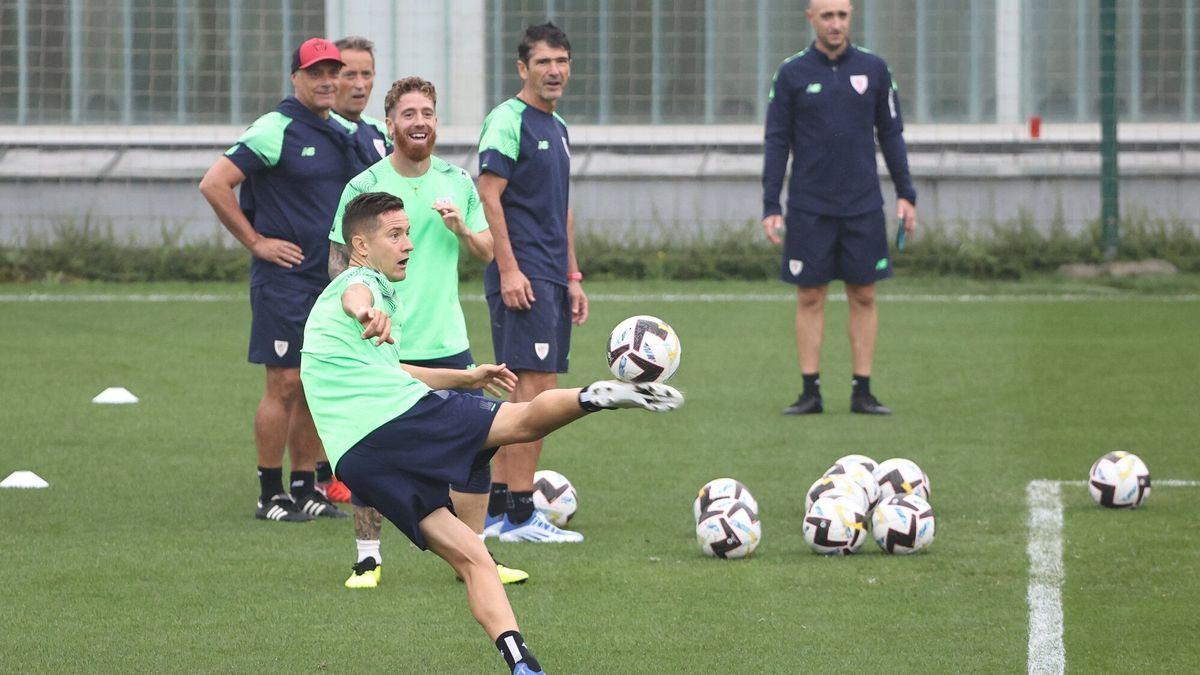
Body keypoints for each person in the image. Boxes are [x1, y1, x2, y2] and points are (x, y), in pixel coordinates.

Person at [301, 191, 682, 674]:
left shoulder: (349, 310)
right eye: (394, 234)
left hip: (359, 460)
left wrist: (464, 377)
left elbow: (390, 372)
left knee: (473, 556)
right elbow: (359, 298)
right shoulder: (358, 284)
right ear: (359, 245)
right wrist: (364, 312)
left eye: (408, 233)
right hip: (393, 420)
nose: (408, 244)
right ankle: (599, 396)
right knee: (519, 422)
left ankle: (522, 663)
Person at [329, 76, 527, 588]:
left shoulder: (457, 182)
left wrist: (460, 227)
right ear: (390, 123)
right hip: (385, 346)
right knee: (373, 449)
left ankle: (475, 557)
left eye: (428, 113)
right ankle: (368, 559)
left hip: (448, 342)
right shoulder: (364, 187)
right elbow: (339, 263)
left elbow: (486, 251)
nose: (420, 122)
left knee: (482, 441)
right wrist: (363, 311)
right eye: (409, 114)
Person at [199, 37, 372, 521]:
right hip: (284, 282)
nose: (327, 81)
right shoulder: (273, 129)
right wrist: (256, 242)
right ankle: (269, 493)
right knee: (285, 382)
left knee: (316, 382)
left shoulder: (343, 130)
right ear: (295, 77)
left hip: (331, 283)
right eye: (315, 72)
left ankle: (306, 486)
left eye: (333, 72)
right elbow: (214, 183)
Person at [761, 0, 917, 416]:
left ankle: (862, 390)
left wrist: (907, 194)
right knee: (810, 295)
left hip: (862, 204)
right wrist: (770, 204)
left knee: (863, 294)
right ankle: (810, 391)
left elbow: (892, 134)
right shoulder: (791, 73)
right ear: (811, 18)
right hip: (809, 206)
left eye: (842, 15)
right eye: (826, 15)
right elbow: (777, 141)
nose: (835, 23)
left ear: (851, 18)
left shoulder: (874, 69)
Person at [477, 22, 589, 543]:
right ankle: (523, 515)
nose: (554, 70)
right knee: (534, 396)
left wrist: (572, 275)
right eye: (544, 61)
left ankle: (500, 510)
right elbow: (488, 194)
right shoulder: (508, 119)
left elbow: (561, 210)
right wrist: (508, 268)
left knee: (528, 392)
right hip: (523, 275)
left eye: (561, 60)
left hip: (549, 274)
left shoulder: (558, 127)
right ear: (523, 68)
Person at [315, 35, 392, 504]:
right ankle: (314, 475)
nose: (359, 83)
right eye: (349, 74)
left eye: (367, 74)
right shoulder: (315, 130)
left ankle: (335, 469)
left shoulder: (374, 137)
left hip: (367, 280)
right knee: (312, 375)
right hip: (326, 274)